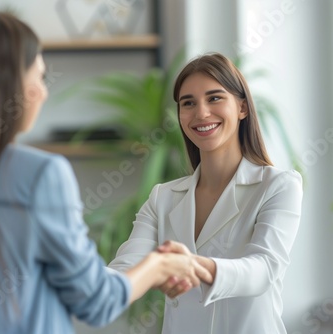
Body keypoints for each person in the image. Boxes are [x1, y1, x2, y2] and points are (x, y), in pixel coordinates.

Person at [0, 10, 212, 334]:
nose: (43, 92)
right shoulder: (40, 174)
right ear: (7, 85)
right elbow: (97, 301)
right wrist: (159, 266)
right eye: (38, 76)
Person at [108, 53, 303, 334]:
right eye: (188, 103)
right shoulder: (163, 197)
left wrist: (193, 266)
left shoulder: (278, 186)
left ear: (242, 108)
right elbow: (126, 269)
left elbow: (263, 269)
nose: (201, 113)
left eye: (214, 98)